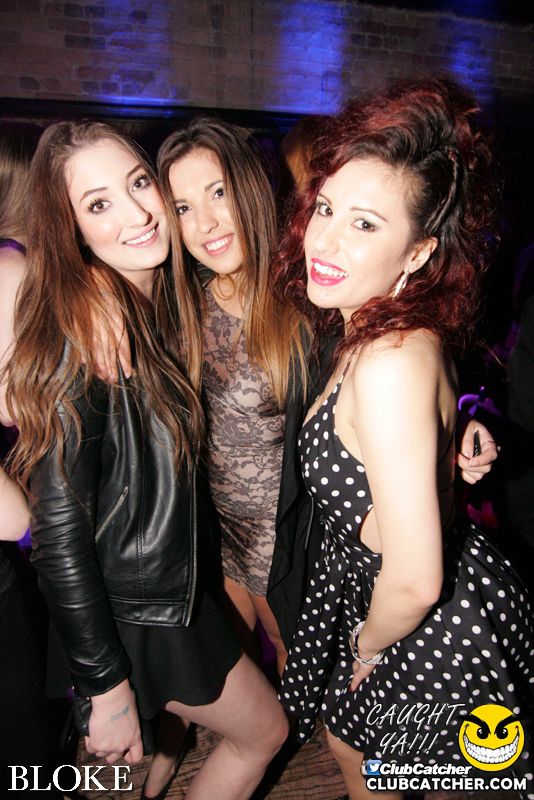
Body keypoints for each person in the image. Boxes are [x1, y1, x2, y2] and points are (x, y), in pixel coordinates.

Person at [5, 120, 288, 800]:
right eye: (98, 203)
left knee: (163, 761)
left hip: (162, 591)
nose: (137, 214)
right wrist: (103, 682)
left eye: (138, 184)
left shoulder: (153, 299)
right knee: (261, 734)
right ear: (70, 228)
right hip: (135, 610)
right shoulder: (83, 335)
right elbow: (59, 531)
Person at [273, 78, 534, 799]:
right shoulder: (380, 327)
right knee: (361, 755)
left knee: (376, 761)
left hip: (432, 621)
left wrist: (365, 650)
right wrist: (455, 434)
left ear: (418, 253)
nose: (323, 239)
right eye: (326, 208)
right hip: (410, 603)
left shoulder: (388, 358)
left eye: (364, 224)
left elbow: (416, 577)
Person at [157, 118, 310, 676]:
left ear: (249, 188)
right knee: (228, 664)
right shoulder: (180, 305)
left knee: (292, 656)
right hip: (215, 529)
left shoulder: (306, 301)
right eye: (183, 207)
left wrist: (450, 424)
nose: (204, 224)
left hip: (283, 539)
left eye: (217, 193)